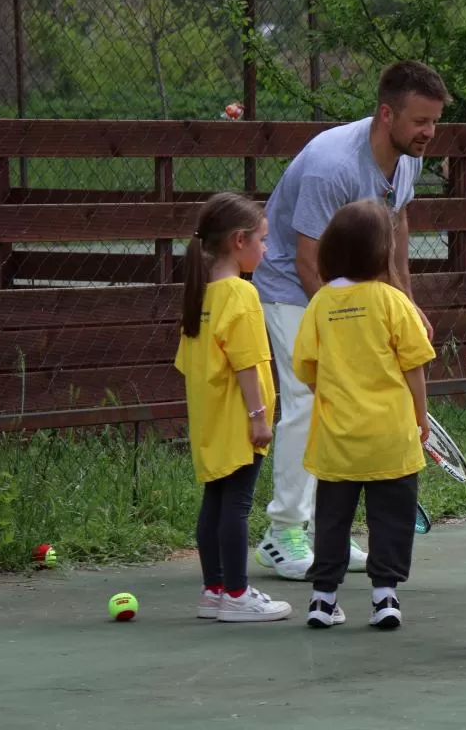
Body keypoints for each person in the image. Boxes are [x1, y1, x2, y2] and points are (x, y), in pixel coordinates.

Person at [252, 61, 451, 580]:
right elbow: (306, 260)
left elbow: (395, 229)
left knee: (338, 400)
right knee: (309, 399)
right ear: (386, 114)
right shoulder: (332, 165)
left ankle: (327, 535)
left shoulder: (406, 160)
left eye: (435, 121)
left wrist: (404, 305)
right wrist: (349, 329)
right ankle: (282, 533)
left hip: (347, 289)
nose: (429, 132)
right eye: (420, 121)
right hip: (289, 284)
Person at [291, 200, 435, 630]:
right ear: (383, 251)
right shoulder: (392, 301)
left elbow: (307, 368)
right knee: (391, 518)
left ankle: (322, 599)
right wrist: (421, 416)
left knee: (332, 520)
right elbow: (414, 366)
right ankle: (385, 597)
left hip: (336, 441)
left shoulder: (320, 304)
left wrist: (332, 397)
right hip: (391, 438)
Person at [175, 192, 292, 623]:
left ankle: (215, 590)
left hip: (211, 419)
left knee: (216, 502)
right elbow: (246, 364)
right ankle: (238, 595)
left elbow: (191, 364)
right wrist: (258, 417)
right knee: (237, 506)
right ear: (239, 241)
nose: (267, 249)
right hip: (239, 420)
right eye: (262, 239)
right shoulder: (241, 294)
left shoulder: (200, 295)